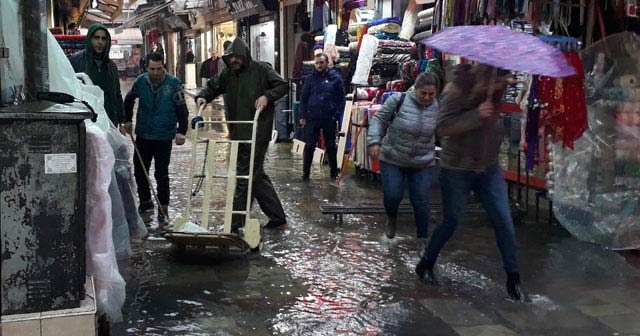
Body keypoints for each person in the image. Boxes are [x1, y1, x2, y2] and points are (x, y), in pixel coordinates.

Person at [415, 64, 529, 302]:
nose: (501, 86)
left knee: (503, 220)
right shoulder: (456, 89)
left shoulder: (494, 95)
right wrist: (477, 114)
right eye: (498, 82)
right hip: (457, 167)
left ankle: (514, 279)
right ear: (484, 78)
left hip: (488, 167)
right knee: (451, 221)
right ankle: (426, 263)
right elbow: (442, 128)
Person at [195, 38, 289, 231]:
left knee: (245, 176)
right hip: (238, 130)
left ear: (245, 56)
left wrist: (267, 96)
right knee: (255, 175)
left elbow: (282, 85)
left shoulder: (261, 70)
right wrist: (203, 97)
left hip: (258, 131)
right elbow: (213, 86)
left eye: (238, 57)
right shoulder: (228, 74)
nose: (235, 60)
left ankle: (235, 223)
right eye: (232, 57)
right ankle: (277, 216)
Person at [366, 72, 439, 240]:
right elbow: (379, 120)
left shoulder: (437, 107)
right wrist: (374, 142)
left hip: (422, 160)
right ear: (416, 89)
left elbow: (444, 129)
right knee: (392, 195)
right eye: (424, 93)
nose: (427, 97)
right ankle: (391, 218)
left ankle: (423, 240)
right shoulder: (398, 100)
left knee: (421, 200)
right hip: (393, 157)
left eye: (431, 94)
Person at [122, 52, 188, 229]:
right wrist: (127, 120)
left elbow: (182, 108)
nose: (156, 72)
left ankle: (163, 206)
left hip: (164, 135)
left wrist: (182, 131)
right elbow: (128, 100)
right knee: (140, 170)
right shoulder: (141, 82)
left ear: (163, 67)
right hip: (143, 133)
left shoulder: (173, 84)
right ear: (146, 68)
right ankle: (145, 202)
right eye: (152, 69)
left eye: (159, 69)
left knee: (161, 173)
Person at [299, 52, 346, 181]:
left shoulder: (335, 79)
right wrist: (303, 115)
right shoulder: (310, 79)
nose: (319, 65)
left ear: (327, 63)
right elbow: (303, 98)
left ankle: (333, 172)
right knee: (309, 146)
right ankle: (306, 174)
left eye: (321, 63)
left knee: (331, 146)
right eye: (317, 63)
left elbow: (341, 99)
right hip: (312, 118)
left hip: (329, 118)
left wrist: (335, 115)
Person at [68, 23, 124, 128]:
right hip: (87, 123)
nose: (100, 42)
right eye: (96, 38)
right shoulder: (75, 62)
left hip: (109, 122)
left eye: (104, 39)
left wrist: (122, 120)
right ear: (89, 39)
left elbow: (117, 95)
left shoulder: (111, 67)